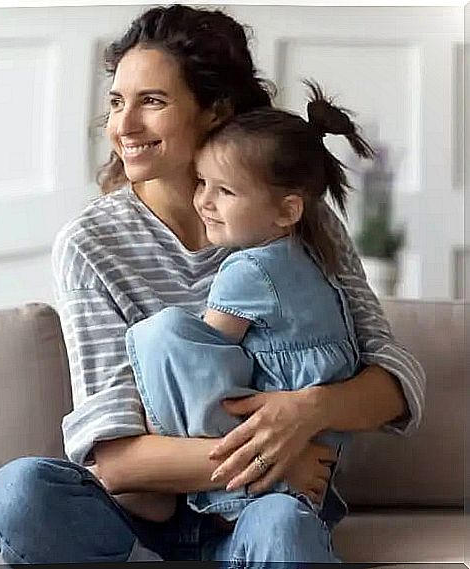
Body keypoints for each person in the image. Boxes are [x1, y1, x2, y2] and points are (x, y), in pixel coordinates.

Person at [0, 5, 425, 565]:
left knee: (284, 529)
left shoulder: (296, 221)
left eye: (153, 101)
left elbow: (394, 381)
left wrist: (307, 411)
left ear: (215, 110)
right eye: (117, 101)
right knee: (20, 494)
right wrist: (276, 454)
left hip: (269, 507)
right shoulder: (91, 245)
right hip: (141, 517)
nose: (124, 126)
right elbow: (115, 459)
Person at [122, 81, 374, 525]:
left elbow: (204, 354)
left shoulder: (246, 271)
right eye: (202, 183)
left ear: (287, 210)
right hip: (327, 443)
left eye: (226, 192)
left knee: (162, 335)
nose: (204, 201)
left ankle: (216, 487)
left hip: (277, 438)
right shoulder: (309, 251)